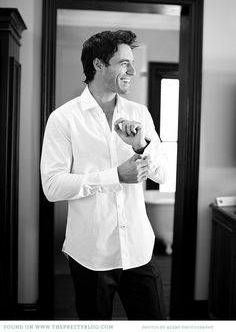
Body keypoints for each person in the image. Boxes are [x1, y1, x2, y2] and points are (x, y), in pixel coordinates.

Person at [40, 30, 169, 320]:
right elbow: (52, 186)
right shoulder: (63, 119)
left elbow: (163, 174)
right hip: (90, 255)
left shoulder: (140, 114)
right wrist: (115, 176)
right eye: (124, 63)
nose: (133, 71)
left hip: (138, 250)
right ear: (98, 65)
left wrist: (140, 145)